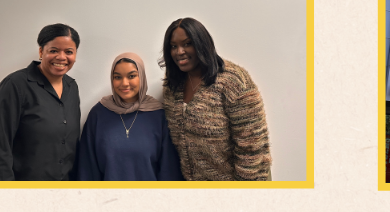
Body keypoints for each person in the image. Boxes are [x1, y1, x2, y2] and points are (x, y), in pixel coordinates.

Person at [159, 18, 272, 180]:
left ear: (202, 44)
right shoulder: (173, 84)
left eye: (187, 43)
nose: (179, 52)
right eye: (173, 46)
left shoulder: (233, 81)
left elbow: (252, 146)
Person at [0, 24, 82, 180]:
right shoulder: (15, 85)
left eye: (69, 52)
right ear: (41, 51)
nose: (61, 57)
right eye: (54, 50)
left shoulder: (72, 88)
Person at [76, 51, 183, 181]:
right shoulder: (98, 114)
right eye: (118, 77)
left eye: (131, 76)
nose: (124, 83)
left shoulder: (159, 115)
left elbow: (169, 170)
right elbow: (87, 169)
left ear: (141, 77)